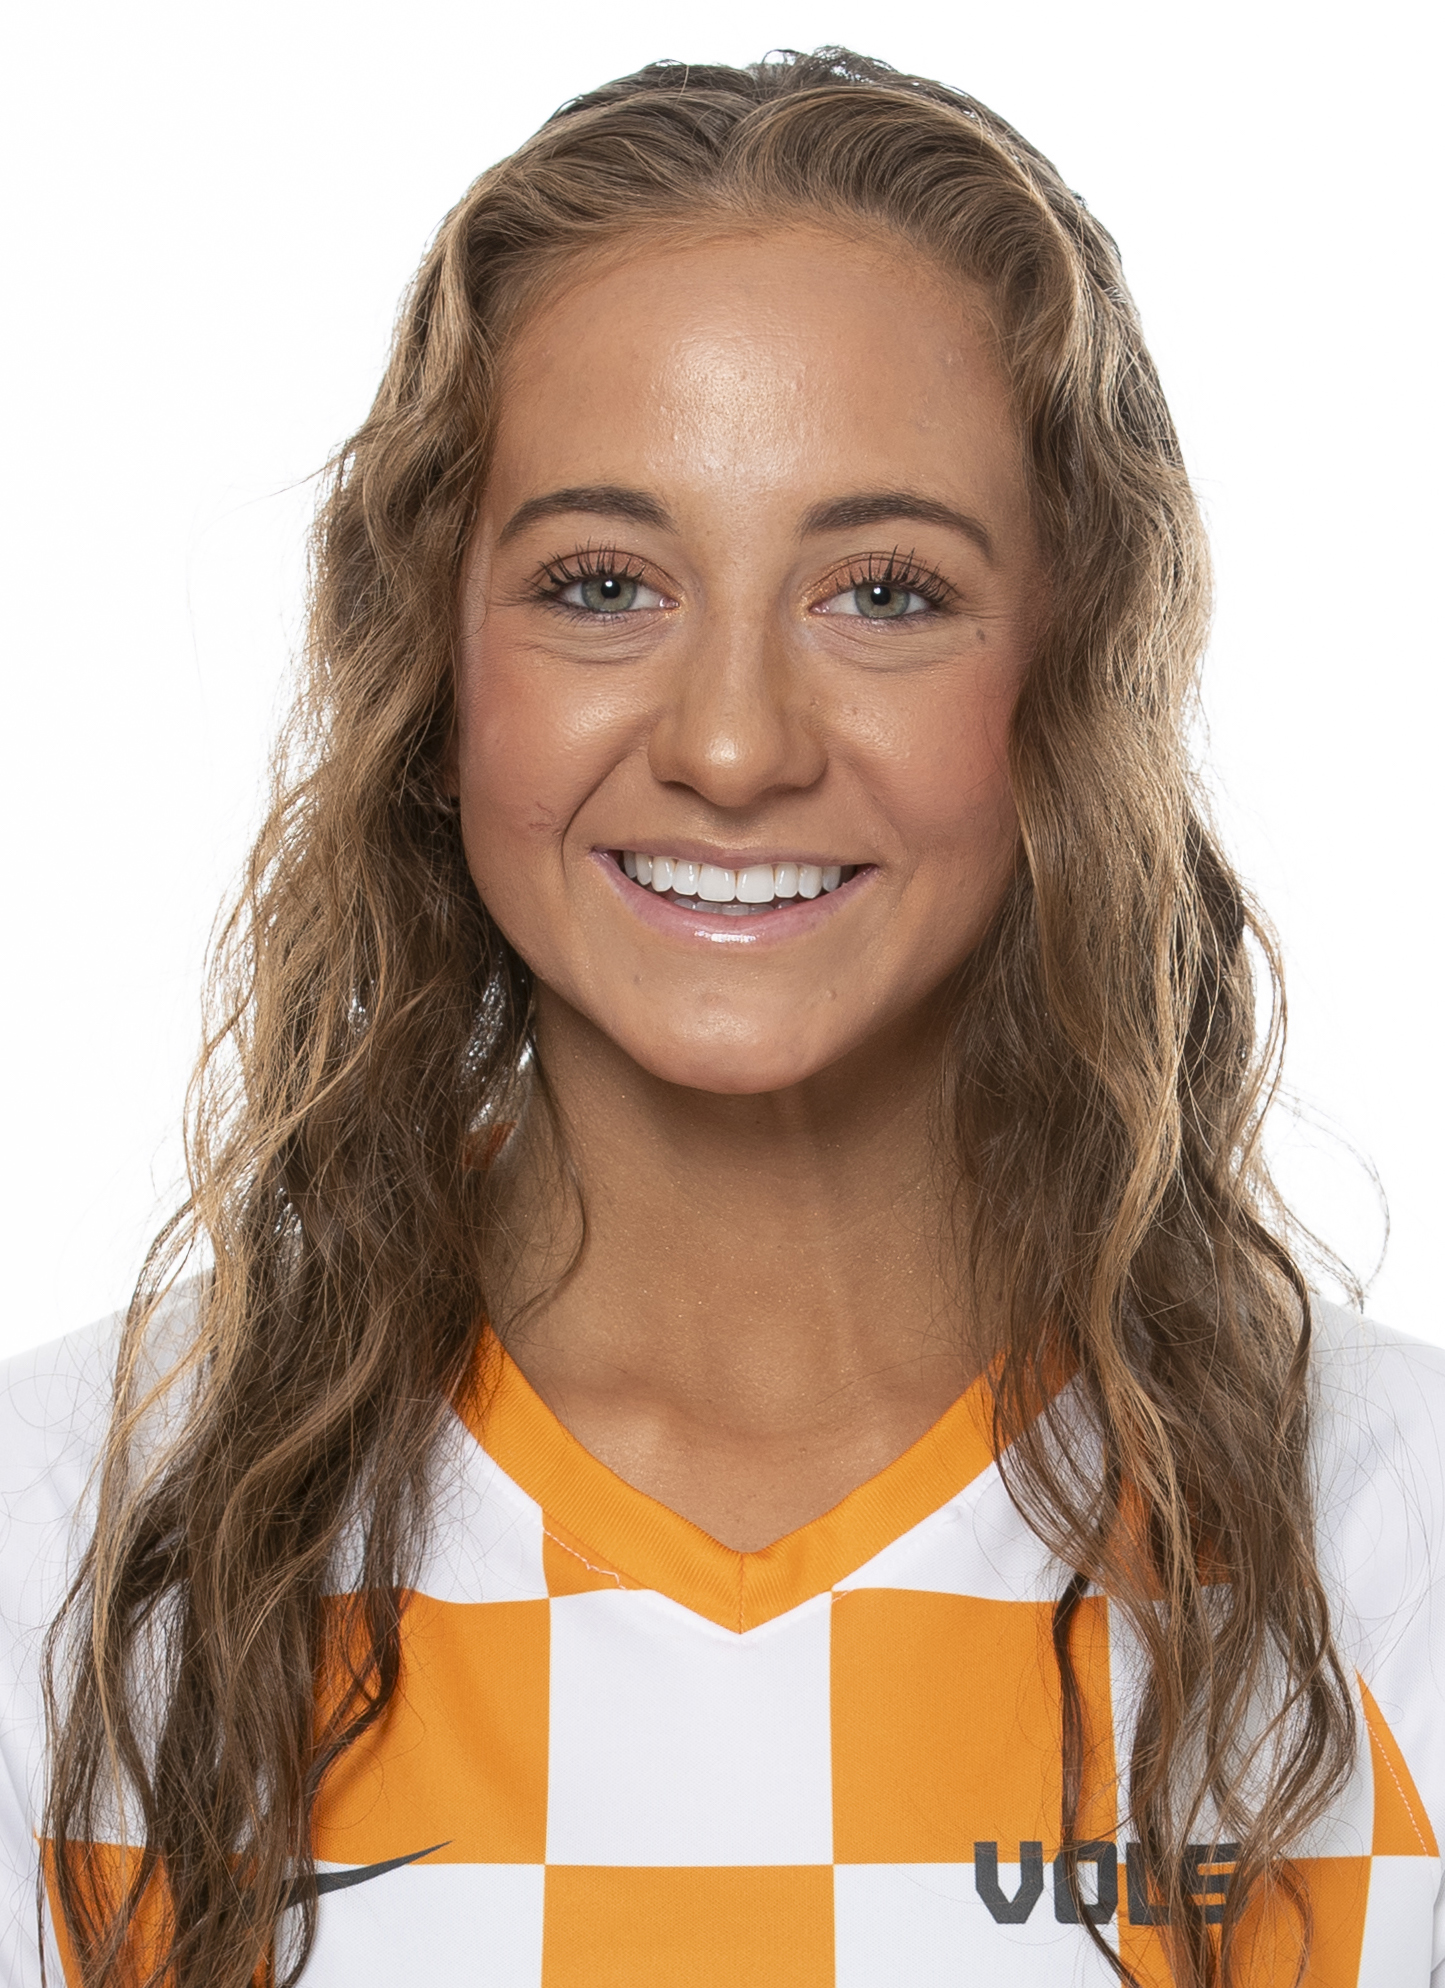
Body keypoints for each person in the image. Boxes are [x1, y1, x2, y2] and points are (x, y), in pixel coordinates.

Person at [2, 46, 1442, 1988]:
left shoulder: (1397, 1548)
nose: (736, 745)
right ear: (433, 665)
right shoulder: (66, 1543)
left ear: (1074, 668)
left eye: (886, 593)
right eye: (604, 584)